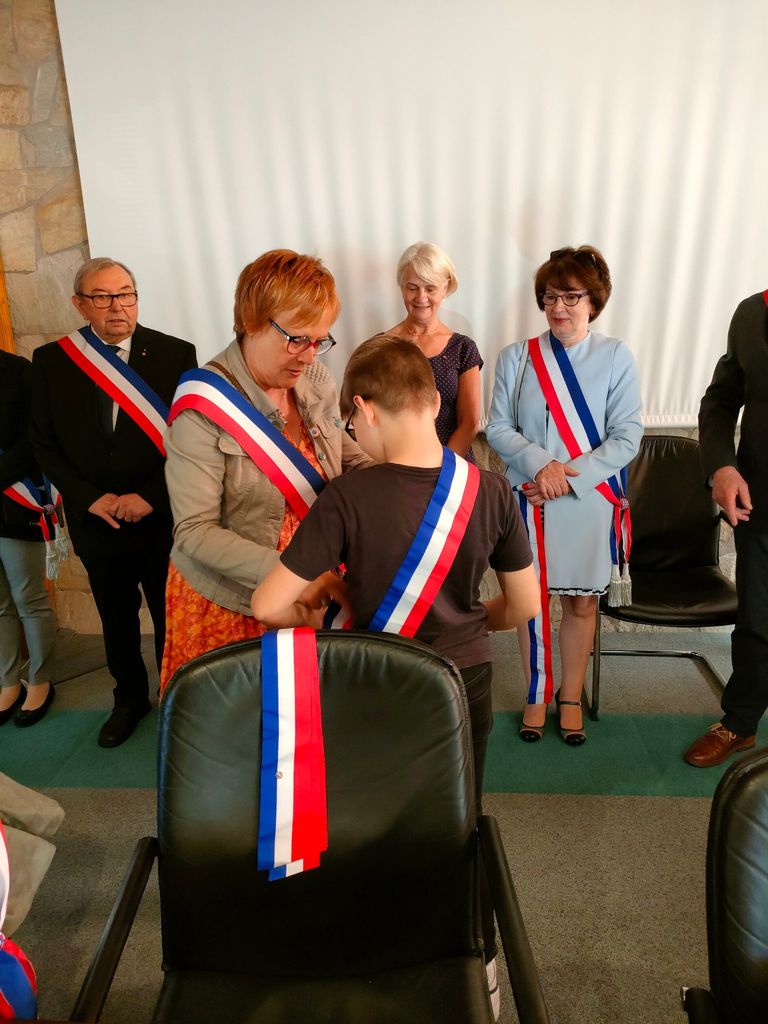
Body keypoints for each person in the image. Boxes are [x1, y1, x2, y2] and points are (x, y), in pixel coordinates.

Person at [251, 336, 540, 1013]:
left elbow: (266, 605)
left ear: (362, 409)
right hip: (463, 680)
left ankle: (369, 953)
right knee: (459, 819)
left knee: (368, 813)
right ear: (435, 401)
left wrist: (315, 597)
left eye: (349, 421)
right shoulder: (491, 489)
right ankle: (476, 964)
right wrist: (472, 621)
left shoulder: (347, 495)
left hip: (372, 682)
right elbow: (526, 606)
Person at [160, 249, 371, 691]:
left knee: (307, 716)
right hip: (236, 597)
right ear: (251, 321)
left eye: (319, 341)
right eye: (297, 339)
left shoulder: (315, 382)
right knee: (241, 721)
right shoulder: (202, 409)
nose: (309, 357)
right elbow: (194, 532)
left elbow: (346, 457)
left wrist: (409, 478)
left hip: (313, 585)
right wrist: (291, 576)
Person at [31, 258, 197, 747]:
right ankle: (129, 699)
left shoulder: (175, 353)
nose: (117, 306)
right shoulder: (53, 360)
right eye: (102, 297)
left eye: (125, 293)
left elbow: (192, 440)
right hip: (96, 519)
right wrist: (91, 498)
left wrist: (149, 496)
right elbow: (43, 443)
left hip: (159, 515)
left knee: (170, 614)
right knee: (116, 617)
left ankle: (177, 698)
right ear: (80, 304)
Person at [486, 245, 643, 745]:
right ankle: (536, 693)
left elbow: (627, 436)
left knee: (579, 604)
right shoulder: (516, 357)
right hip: (530, 495)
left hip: (587, 500)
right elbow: (498, 428)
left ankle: (570, 695)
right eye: (551, 296)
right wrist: (542, 466)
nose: (559, 307)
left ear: (593, 301)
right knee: (529, 603)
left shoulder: (615, 356)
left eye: (572, 297)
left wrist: (568, 478)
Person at [684, 289, 768, 767]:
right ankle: (740, 722)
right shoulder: (754, 312)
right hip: (762, 499)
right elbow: (720, 399)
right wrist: (721, 466)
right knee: (757, 618)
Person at [380, 241, 483, 461]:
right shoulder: (380, 347)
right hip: (399, 464)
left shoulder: (463, 348)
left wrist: (441, 467)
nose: (421, 297)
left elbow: (469, 422)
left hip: (454, 465)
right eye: (412, 288)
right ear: (401, 287)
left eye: (430, 288)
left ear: (445, 288)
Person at [0, 350, 57, 728]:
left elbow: (35, 437)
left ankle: (40, 680)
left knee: (27, 597)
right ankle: (7, 682)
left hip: (14, 503)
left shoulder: (19, 371)